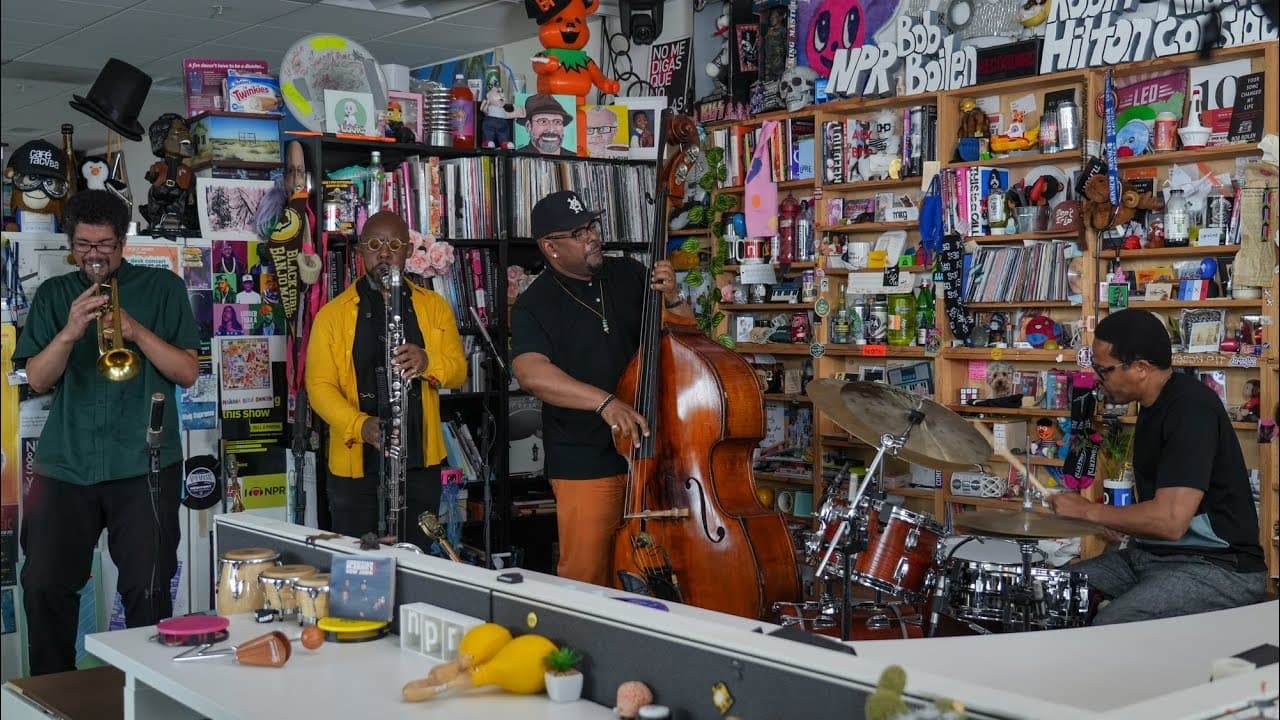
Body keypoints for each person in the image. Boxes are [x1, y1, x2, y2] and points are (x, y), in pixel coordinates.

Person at [12, 189, 199, 675]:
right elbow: (36, 379)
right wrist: (71, 331)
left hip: (144, 461)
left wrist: (136, 333)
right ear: (71, 244)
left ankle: (146, 690)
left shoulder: (164, 289)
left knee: (148, 588)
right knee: (44, 585)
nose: (95, 256)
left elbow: (186, 372)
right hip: (66, 462)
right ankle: (53, 694)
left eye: (106, 245)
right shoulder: (55, 295)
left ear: (124, 243)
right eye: (84, 245)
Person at [509, 190, 691, 586]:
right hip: (585, 460)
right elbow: (530, 372)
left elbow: (687, 342)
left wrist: (675, 299)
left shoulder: (628, 274)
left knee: (666, 574)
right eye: (578, 232)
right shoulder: (534, 303)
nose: (592, 236)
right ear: (551, 247)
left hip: (656, 452)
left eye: (592, 225)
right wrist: (605, 403)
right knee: (588, 577)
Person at [1048, 308, 1265, 625]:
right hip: (1151, 557)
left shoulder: (1191, 409)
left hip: (1216, 566)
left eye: (1103, 369)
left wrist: (1087, 511)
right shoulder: (1152, 406)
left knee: (1111, 625)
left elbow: (1170, 521)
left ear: (1140, 368)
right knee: (1052, 591)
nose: (1095, 376)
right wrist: (1117, 522)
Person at [306, 211, 467, 549]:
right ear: (360, 252)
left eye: (393, 245)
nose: (384, 253)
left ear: (408, 251)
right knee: (356, 564)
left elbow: (458, 371)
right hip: (355, 470)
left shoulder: (434, 307)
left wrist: (427, 361)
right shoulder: (332, 315)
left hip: (420, 464)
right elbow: (318, 387)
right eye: (375, 245)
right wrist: (360, 425)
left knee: (416, 559)